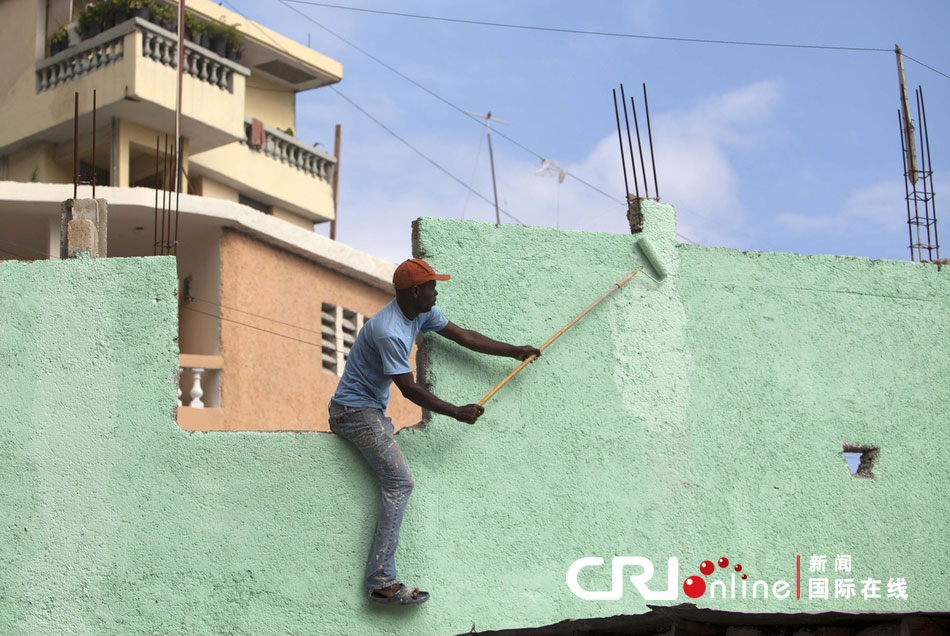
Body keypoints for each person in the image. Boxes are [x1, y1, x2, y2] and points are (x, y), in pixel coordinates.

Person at [328, 258, 540, 606]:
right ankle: (381, 581)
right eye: (431, 286)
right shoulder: (389, 331)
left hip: (370, 412)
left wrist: (513, 351)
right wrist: (456, 412)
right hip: (353, 413)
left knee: (397, 481)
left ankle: (382, 579)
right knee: (400, 482)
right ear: (415, 291)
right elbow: (409, 390)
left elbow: (465, 337)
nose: (436, 290)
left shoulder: (420, 314)